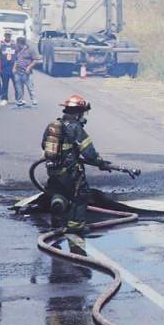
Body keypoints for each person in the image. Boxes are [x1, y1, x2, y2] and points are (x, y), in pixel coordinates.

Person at [42, 94, 111, 233]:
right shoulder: (75, 128)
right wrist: (101, 163)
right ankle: (76, 225)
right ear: (77, 113)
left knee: (59, 191)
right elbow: (89, 153)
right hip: (70, 170)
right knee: (82, 193)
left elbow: (44, 145)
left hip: (53, 169)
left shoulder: (54, 126)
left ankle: (56, 217)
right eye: (82, 112)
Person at [13, 36, 37, 107]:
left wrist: (29, 67)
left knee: (30, 87)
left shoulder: (30, 50)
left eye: (17, 43)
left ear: (20, 43)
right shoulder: (17, 50)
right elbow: (16, 60)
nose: (16, 45)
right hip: (18, 71)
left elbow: (35, 60)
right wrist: (14, 68)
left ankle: (34, 101)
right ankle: (20, 101)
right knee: (18, 87)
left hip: (26, 72)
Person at [0, 31, 17, 107]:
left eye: (9, 35)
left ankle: (18, 98)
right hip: (4, 68)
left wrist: (16, 66)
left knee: (16, 84)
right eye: (6, 35)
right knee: (4, 84)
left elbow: (18, 55)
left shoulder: (14, 44)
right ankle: (4, 99)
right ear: (4, 35)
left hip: (13, 68)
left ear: (11, 36)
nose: (8, 36)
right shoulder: (0, 43)